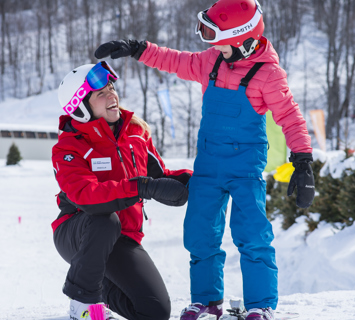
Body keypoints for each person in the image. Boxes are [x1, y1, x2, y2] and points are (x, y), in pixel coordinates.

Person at [94, 0, 315, 319]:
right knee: (199, 233)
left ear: (242, 39)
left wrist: (303, 161)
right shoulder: (212, 62)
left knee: (252, 235)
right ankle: (208, 301)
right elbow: (175, 60)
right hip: (208, 167)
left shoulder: (268, 75)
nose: (214, 48)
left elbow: (290, 118)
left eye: (218, 40)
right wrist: (138, 48)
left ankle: (261, 305)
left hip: (244, 169)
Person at [51, 61, 193, 320]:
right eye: (101, 93)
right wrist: (142, 187)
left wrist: (201, 181)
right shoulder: (68, 147)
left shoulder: (136, 132)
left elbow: (160, 175)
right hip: (78, 232)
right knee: (105, 220)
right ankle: (83, 305)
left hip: (124, 237)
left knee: (155, 312)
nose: (112, 95)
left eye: (111, 87)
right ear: (80, 107)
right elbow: (87, 196)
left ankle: (100, 288)